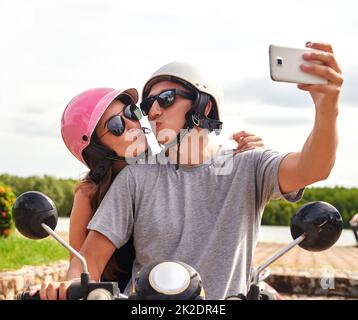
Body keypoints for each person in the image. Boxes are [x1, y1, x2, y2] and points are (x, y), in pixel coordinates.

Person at [41, 41, 343, 300]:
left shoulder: (248, 164)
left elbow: (313, 167)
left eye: (166, 99)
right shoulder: (135, 178)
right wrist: (66, 287)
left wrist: (327, 106)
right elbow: (88, 261)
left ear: (204, 107)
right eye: (147, 105)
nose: (152, 112)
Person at [35, 85, 265, 298]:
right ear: (97, 149)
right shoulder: (89, 194)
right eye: (117, 125)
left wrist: (249, 158)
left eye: (131, 112)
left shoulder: (168, 167)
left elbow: (207, 163)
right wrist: (71, 286)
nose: (134, 124)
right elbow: (81, 263)